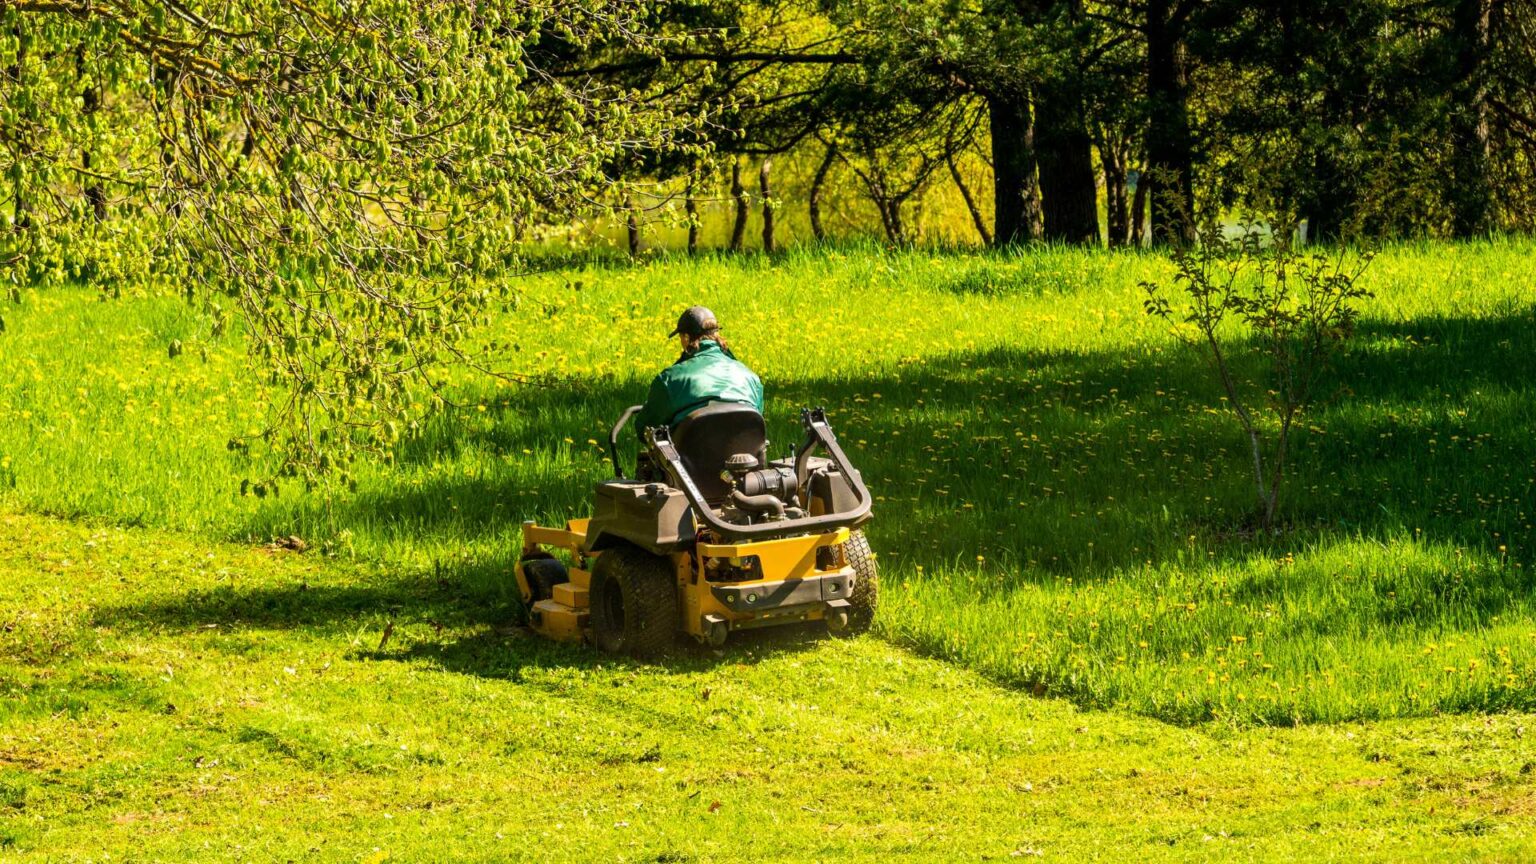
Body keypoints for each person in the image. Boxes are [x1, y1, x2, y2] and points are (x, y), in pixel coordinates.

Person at [635, 306, 763, 438]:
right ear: (716, 334)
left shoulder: (670, 379)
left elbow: (645, 428)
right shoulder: (751, 378)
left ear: (686, 337)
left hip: (688, 457)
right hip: (745, 455)